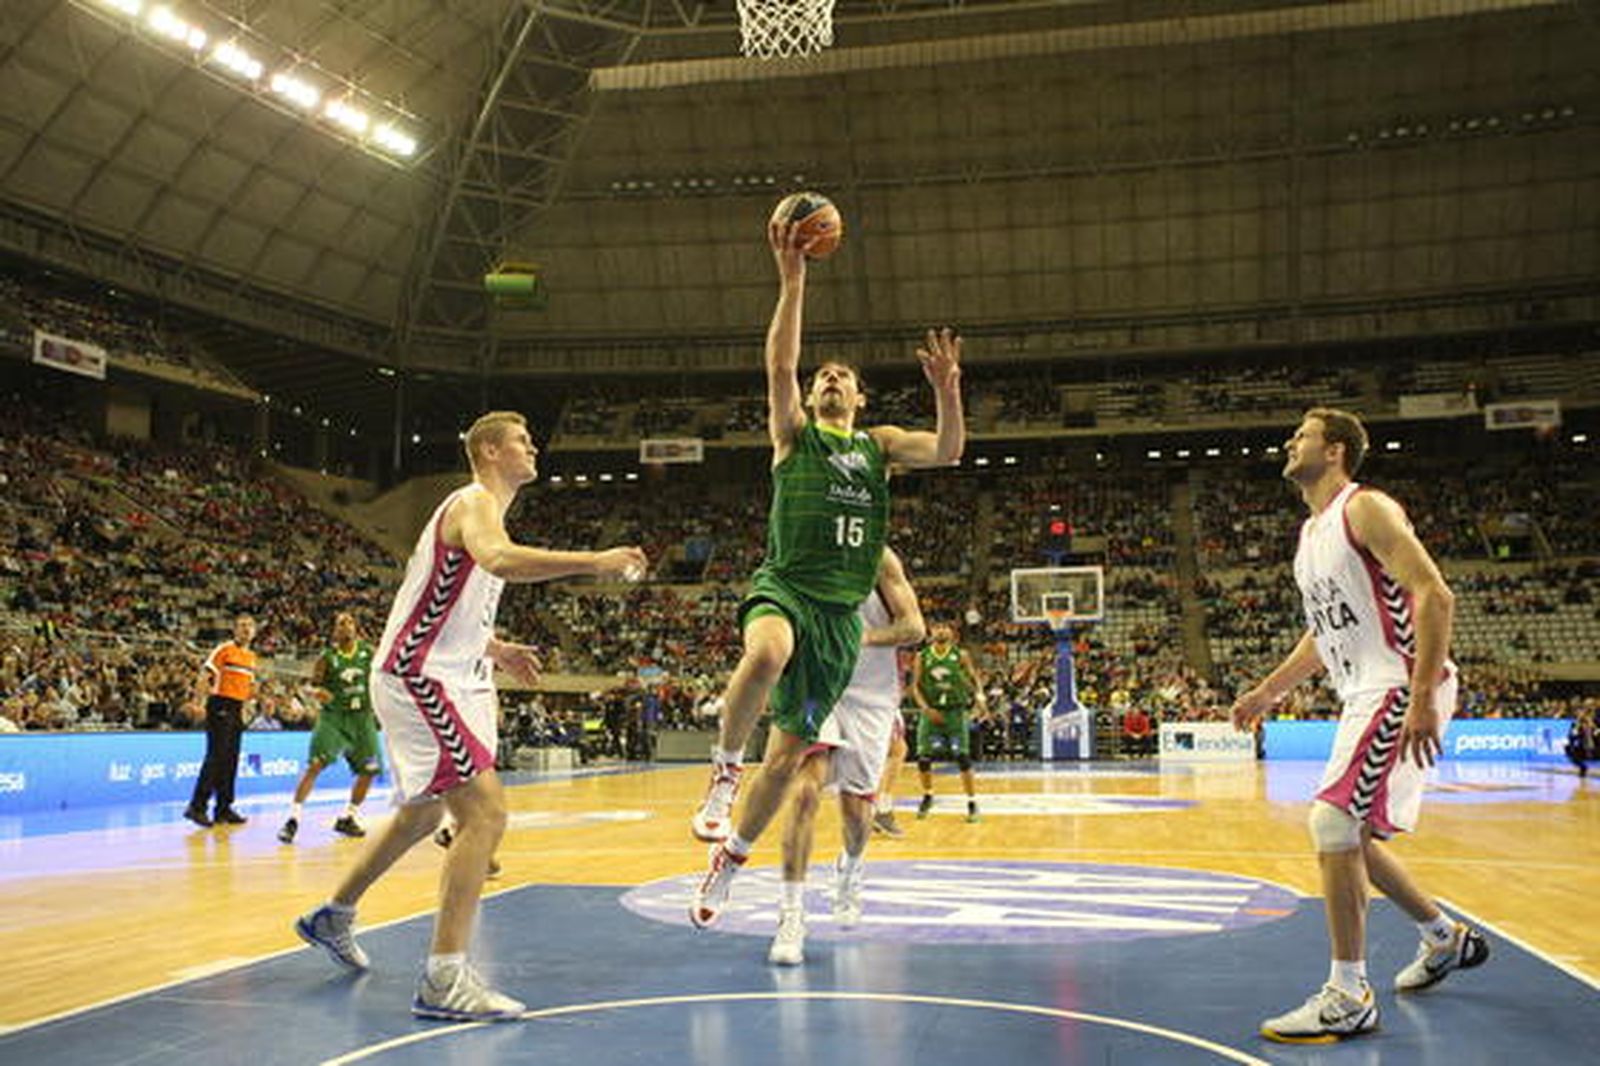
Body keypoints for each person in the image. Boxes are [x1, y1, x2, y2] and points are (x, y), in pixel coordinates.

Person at [293, 411, 645, 1022]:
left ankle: (333, 914)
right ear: (488, 449)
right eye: (521, 440)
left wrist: (496, 647)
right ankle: (444, 980)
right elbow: (501, 561)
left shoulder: (484, 513)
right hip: (419, 678)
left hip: (432, 672)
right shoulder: (474, 502)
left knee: (423, 814)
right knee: (483, 814)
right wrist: (595, 560)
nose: (533, 447)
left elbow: (441, 602)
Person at [688, 215, 966, 928]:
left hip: (841, 619)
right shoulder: (793, 437)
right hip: (786, 588)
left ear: (861, 397)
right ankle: (722, 772)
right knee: (769, 649)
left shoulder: (879, 446)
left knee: (783, 768)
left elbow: (950, 452)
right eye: (823, 377)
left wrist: (947, 388)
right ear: (811, 399)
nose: (830, 377)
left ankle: (733, 857)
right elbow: (779, 365)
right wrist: (793, 279)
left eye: (843, 374)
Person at [1230, 407, 1488, 1044]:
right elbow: (1323, 633)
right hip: (1366, 690)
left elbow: (1435, 594)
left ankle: (1348, 994)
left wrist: (1423, 693)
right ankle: (1443, 937)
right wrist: (1267, 690)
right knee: (1355, 838)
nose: (1290, 442)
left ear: (1337, 450)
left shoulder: (1365, 507)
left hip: (1397, 683)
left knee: (1331, 821)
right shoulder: (1310, 533)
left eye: (1303, 435)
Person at [769, 548, 925, 965]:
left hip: (872, 696)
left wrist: (864, 637)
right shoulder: (800, 546)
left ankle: (850, 867)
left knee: (857, 816)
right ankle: (790, 916)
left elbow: (914, 627)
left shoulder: (878, 556)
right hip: (820, 688)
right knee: (802, 793)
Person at [278, 612, 380, 844]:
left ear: (356, 627)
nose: (345, 627)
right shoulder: (326, 657)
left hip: (362, 718)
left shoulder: (368, 653)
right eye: (340, 624)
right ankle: (292, 820)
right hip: (333, 717)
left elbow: (382, 678)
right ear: (335, 631)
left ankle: (348, 817)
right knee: (315, 765)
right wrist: (317, 693)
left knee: (370, 770)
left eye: (349, 622)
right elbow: (309, 687)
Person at [184, 614, 258, 828]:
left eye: (249, 626)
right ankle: (197, 806)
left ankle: (223, 808)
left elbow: (249, 687)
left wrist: (247, 706)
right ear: (234, 630)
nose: (246, 629)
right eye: (242, 626)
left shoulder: (251, 657)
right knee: (216, 757)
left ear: (254, 632)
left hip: (237, 709)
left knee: (231, 759)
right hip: (220, 705)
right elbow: (205, 675)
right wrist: (198, 702)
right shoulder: (224, 649)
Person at [912, 623, 988, 823]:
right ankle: (928, 795)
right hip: (932, 711)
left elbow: (974, 679)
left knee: (962, 757)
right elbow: (915, 688)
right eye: (937, 627)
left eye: (945, 627)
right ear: (930, 632)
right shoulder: (922, 657)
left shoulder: (960, 655)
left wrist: (980, 699)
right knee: (923, 758)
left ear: (952, 633)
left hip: (956, 711)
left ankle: (972, 802)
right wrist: (926, 709)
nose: (941, 630)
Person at [1566, 706, 1595, 778]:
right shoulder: (1575, 724)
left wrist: (1591, 725)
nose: (1580, 714)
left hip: (1591, 746)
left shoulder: (1591, 723)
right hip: (1580, 746)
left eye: (1582, 713)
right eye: (1578, 713)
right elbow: (1572, 734)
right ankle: (1582, 767)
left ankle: (1583, 767)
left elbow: (1595, 732)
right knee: (1569, 749)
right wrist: (1577, 724)